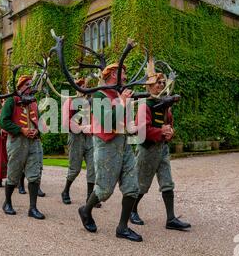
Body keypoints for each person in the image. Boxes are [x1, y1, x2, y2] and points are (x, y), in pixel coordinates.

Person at [78, 63, 143, 242]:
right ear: (113, 74)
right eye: (124, 72)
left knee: (132, 186)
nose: (126, 75)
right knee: (105, 190)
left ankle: (122, 228)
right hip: (106, 145)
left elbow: (125, 121)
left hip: (123, 143)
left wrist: (134, 127)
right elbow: (109, 122)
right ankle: (86, 210)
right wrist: (123, 102)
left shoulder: (117, 94)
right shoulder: (99, 96)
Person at [132, 72, 191, 231]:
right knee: (142, 184)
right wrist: (161, 131)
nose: (160, 84)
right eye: (157, 82)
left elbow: (169, 124)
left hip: (162, 148)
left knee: (167, 183)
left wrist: (170, 132)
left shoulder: (166, 104)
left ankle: (171, 219)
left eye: (162, 82)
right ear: (149, 86)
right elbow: (141, 130)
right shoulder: (145, 105)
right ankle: (132, 210)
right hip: (147, 149)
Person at [0, 75, 45, 220]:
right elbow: (3, 122)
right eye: (26, 84)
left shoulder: (33, 102)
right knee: (13, 173)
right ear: (19, 87)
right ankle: (7, 202)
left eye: (31, 84)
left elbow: (38, 120)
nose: (29, 86)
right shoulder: (11, 101)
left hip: (34, 141)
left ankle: (33, 208)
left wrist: (37, 130)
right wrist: (21, 130)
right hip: (17, 141)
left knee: (34, 174)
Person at [61, 78, 98, 207]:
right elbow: (66, 124)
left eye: (85, 86)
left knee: (93, 168)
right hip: (76, 138)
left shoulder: (91, 102)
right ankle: (65, 191)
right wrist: (82, 128)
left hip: (90, 138)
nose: (83, 89)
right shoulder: (70, 102)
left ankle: (89, 196)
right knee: (75, 168)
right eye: (80, 86)